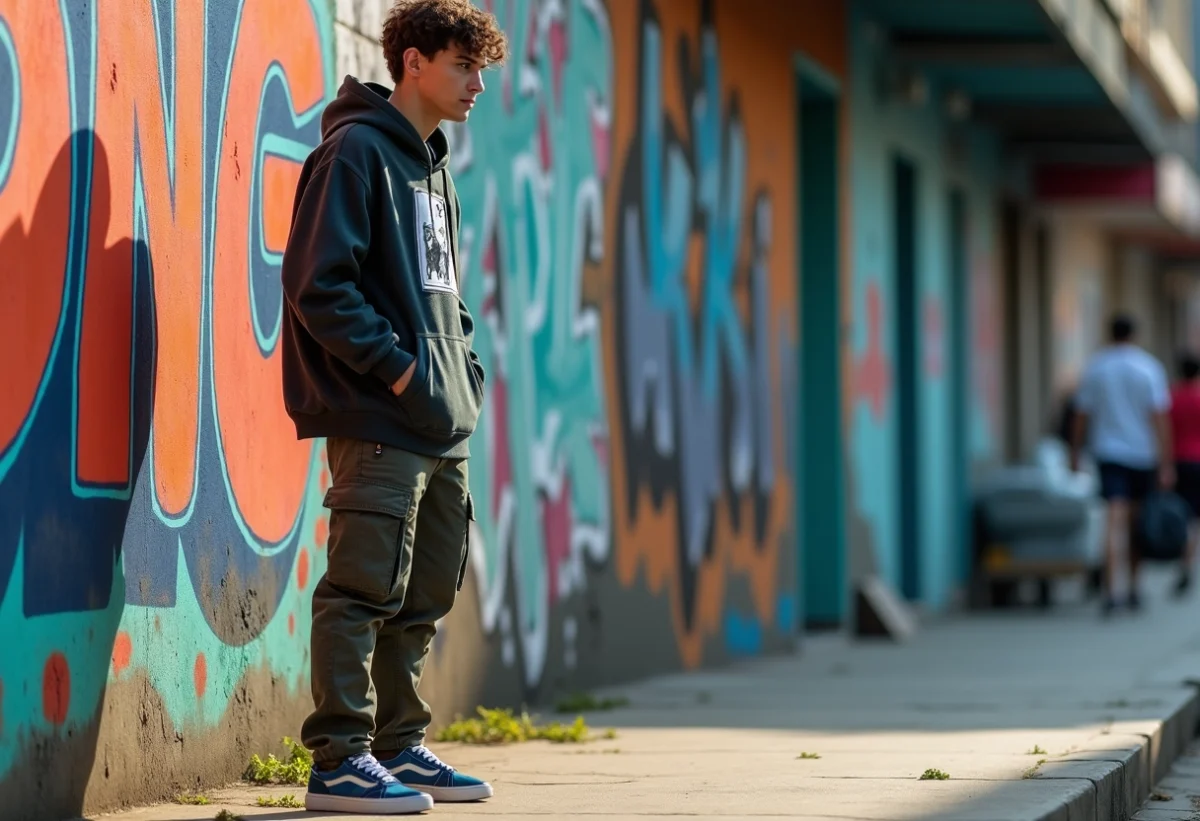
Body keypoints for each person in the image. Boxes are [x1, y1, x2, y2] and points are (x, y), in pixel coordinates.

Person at [279, 0, 507, 814]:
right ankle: (340, 757)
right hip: (381, 418)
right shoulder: (355, 154)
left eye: (480, 70)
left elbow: (444, 296)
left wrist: (461, 373)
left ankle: (397, 744)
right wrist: (404, 375)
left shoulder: (431, 166)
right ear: (413, 62)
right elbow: (318, 288)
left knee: (424, 593)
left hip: (441, 422)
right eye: (463, 65)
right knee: (363, 587)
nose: (477, 85)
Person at [1070, 314, 1173, 616]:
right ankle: (1133, 588)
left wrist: (1074, 451)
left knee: (1112, 521)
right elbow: (1159, 417)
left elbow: (1081, 414)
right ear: (1134, 334)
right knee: (1136, 523)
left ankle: (1110, 591)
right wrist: (1166, 462)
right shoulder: (1148, 367)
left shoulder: (1096, 367)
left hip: (1108, 451)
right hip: (1142, 454)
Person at [1169, 353, 1200, 594]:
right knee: (1193, 518)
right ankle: (1187, 561)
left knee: (1180, 514)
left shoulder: (1171, 397)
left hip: (1177, 461)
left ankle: (1183, 558)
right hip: (1197, 461)